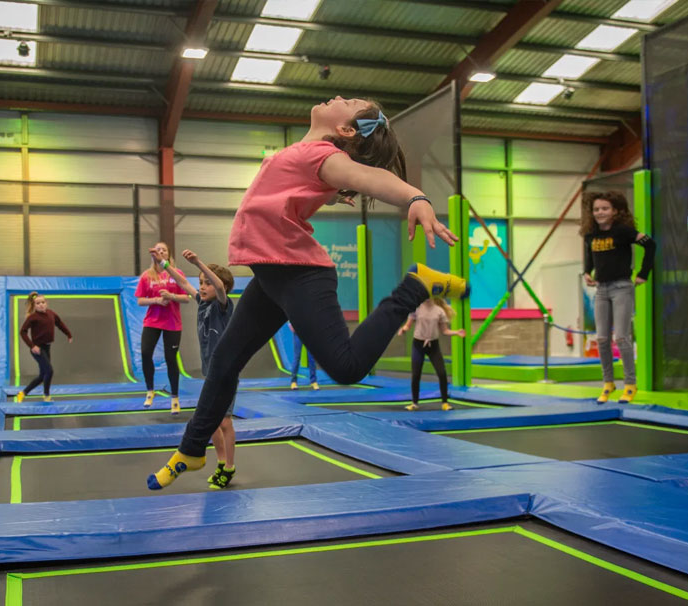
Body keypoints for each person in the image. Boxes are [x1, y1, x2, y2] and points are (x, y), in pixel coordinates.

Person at [148, 96, 469, 490]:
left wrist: (415, 198)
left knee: (347, 368)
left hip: (300, 274)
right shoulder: (307, 155)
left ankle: (414, 287)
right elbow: (301, 189)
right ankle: (193, 449)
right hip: (271, 274)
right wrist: (331, 193)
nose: (338, 97)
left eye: (349, 102)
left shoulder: (324, 156)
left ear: (346, 130)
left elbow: (376, 179)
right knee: (224, 362)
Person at [153, 247, 238, 489]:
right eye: (201, 283)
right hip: (211, 371)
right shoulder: (202, 302)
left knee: (225, 422)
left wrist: (199, 262)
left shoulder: (223, 305)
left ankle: (229, 467)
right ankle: (221, 463)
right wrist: (164, 264)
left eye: (206, 283)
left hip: (227, 371)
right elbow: (182, 282)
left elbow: (220, 287)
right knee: (210, 420)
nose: (202, 287)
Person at [582, 191, 655, 404]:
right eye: (596, 209)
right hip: (601, 289)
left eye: (605, 209)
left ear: (615, 211)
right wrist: (588, 271)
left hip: (621, 286)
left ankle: (630, 384)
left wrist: (643, 273)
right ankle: (608, 383)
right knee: (602, 339)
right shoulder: (591, 235)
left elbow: (651, 245)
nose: (600, 213)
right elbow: (590, 254)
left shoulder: (623, 232)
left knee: (621, 337)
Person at [136, 242, 190, 414]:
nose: (160, 252)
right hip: (152, 321)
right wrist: (157, 301)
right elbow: (140, 300)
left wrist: (171, 296)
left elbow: (187, 297)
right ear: (153, 254)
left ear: (168, 254)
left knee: (171, 358)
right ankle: (150, 390)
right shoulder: (147, 276)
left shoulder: (177, 274)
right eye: (157, 250)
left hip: (172, 323)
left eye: (163, 250)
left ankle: (174, 397)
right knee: (145, 353)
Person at [398, 297, 465, 411]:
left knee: (442, 373)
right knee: (416, 375)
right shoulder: (416, 309)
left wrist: (456, 332)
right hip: (418, 345)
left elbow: (444, 331)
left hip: (433, 345)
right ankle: (414, 403)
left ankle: (445, 403)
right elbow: (408, 325)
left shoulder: (439, 310)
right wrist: (403, 329)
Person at [14, 292, 72, 403]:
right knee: (49, 371)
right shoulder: (33, 317)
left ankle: (22, 393)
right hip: (38, 349)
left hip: (47, 348)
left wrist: (68, 334)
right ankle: (46, 396)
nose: (41, 305)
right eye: (38, 303)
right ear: (34, 305)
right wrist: (32, 346)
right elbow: (23, 332)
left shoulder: (51, 314)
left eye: (43, 302)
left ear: (46, 303)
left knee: (42, 375)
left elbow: (60, 324)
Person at [288, 322, 319, 390]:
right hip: (298, 333)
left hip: (309, 333)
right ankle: (293, 381)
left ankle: (313, 381)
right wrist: (290, 324)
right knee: (297, 357)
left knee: (311, 358)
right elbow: (290, 314)